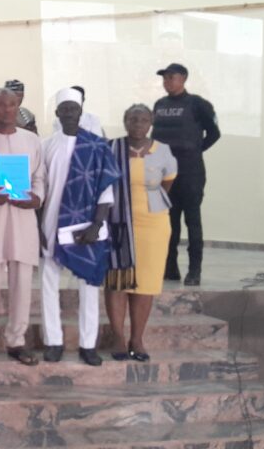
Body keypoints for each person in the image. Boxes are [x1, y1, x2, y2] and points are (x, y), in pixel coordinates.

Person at [40, 88, 119, 367]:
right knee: (48, 282)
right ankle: (53, 342)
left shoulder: (97, 146)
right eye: (65, 109)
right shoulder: (46, 145)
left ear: (81, 112)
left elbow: (106, 188)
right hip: (52, 222)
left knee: (89, 284)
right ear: (58, 113)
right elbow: (42, 187)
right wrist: (39, 225)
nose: (70, 113)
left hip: (88, 225)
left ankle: (88, 345)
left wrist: (97, 224)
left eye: (75, 109)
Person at [0, 87, 45, 365]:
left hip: (23, 219)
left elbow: (39, 177)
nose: (5, 110)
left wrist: (37, 198)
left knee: (22, 282)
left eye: (10, 105)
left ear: (19, 106)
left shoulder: (32, 140)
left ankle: (17, 340)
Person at [105, 104, 177, 362]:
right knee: (118, 281)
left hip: (153, 225)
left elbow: (167, 182)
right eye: (133, 118)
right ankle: (117, 336)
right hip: (118, 222)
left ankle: (137, 338)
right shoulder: (112, 148)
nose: (138, 123)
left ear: (151, 123)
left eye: (143, 119)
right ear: (125, 121)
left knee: (145, 282)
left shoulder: (163, 151)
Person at [152, 63, 219, 286]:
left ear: (183, 79)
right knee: (168, 223)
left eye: (171, 77)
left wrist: (194, 150)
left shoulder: (197, 104)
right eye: (165, 78)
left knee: (192, 221)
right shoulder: (159, 105)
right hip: (165, 174)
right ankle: (170, 268)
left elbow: (214, 133)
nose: (167, 81)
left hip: (190, 172)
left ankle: (194, 271)